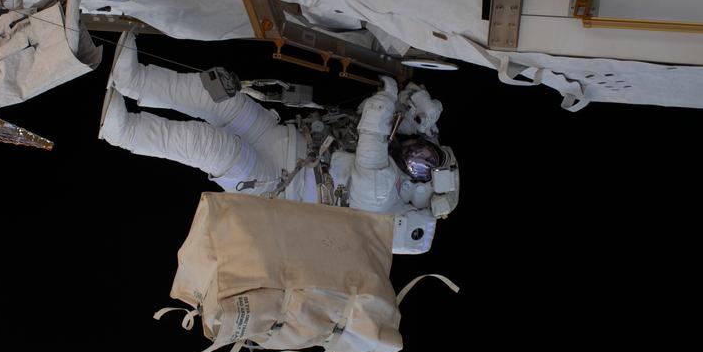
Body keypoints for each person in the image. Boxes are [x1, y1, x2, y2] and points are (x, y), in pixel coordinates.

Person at [97, 34, 458, 253]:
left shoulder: (382, 201)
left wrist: (387, 98)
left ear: (417, 195)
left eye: (423, 164)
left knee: (209, 146)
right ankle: (135, 79)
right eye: (426, 155)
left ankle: (124, 132)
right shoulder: (406, 168)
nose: (417, 156)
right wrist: (421, 113)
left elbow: (372, 142)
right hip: (282, 137)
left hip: (274, 183)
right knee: (222, 101)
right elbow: (401, 123)